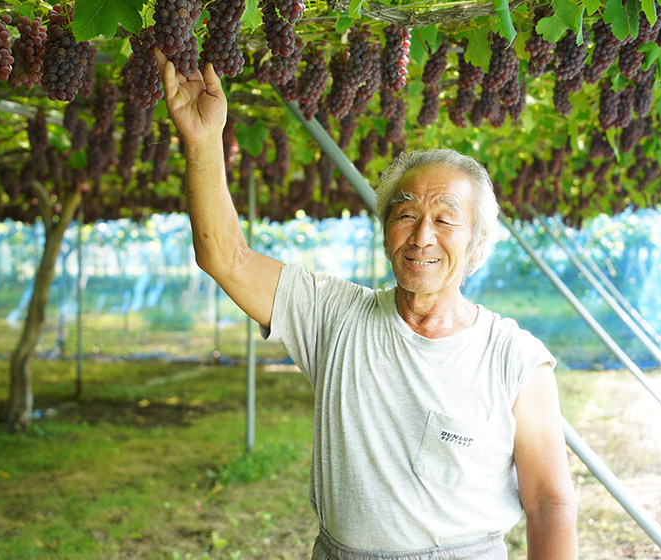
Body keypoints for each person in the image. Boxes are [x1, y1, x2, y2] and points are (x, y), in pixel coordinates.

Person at [153, 51, 579, 560]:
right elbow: (226, 257)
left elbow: (550, 501)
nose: (422, 236)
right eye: (405, 214)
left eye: (445, 220)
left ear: (478, 243)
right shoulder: (335, 317)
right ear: (384, 232)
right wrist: (202, 142)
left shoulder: (515, 359)